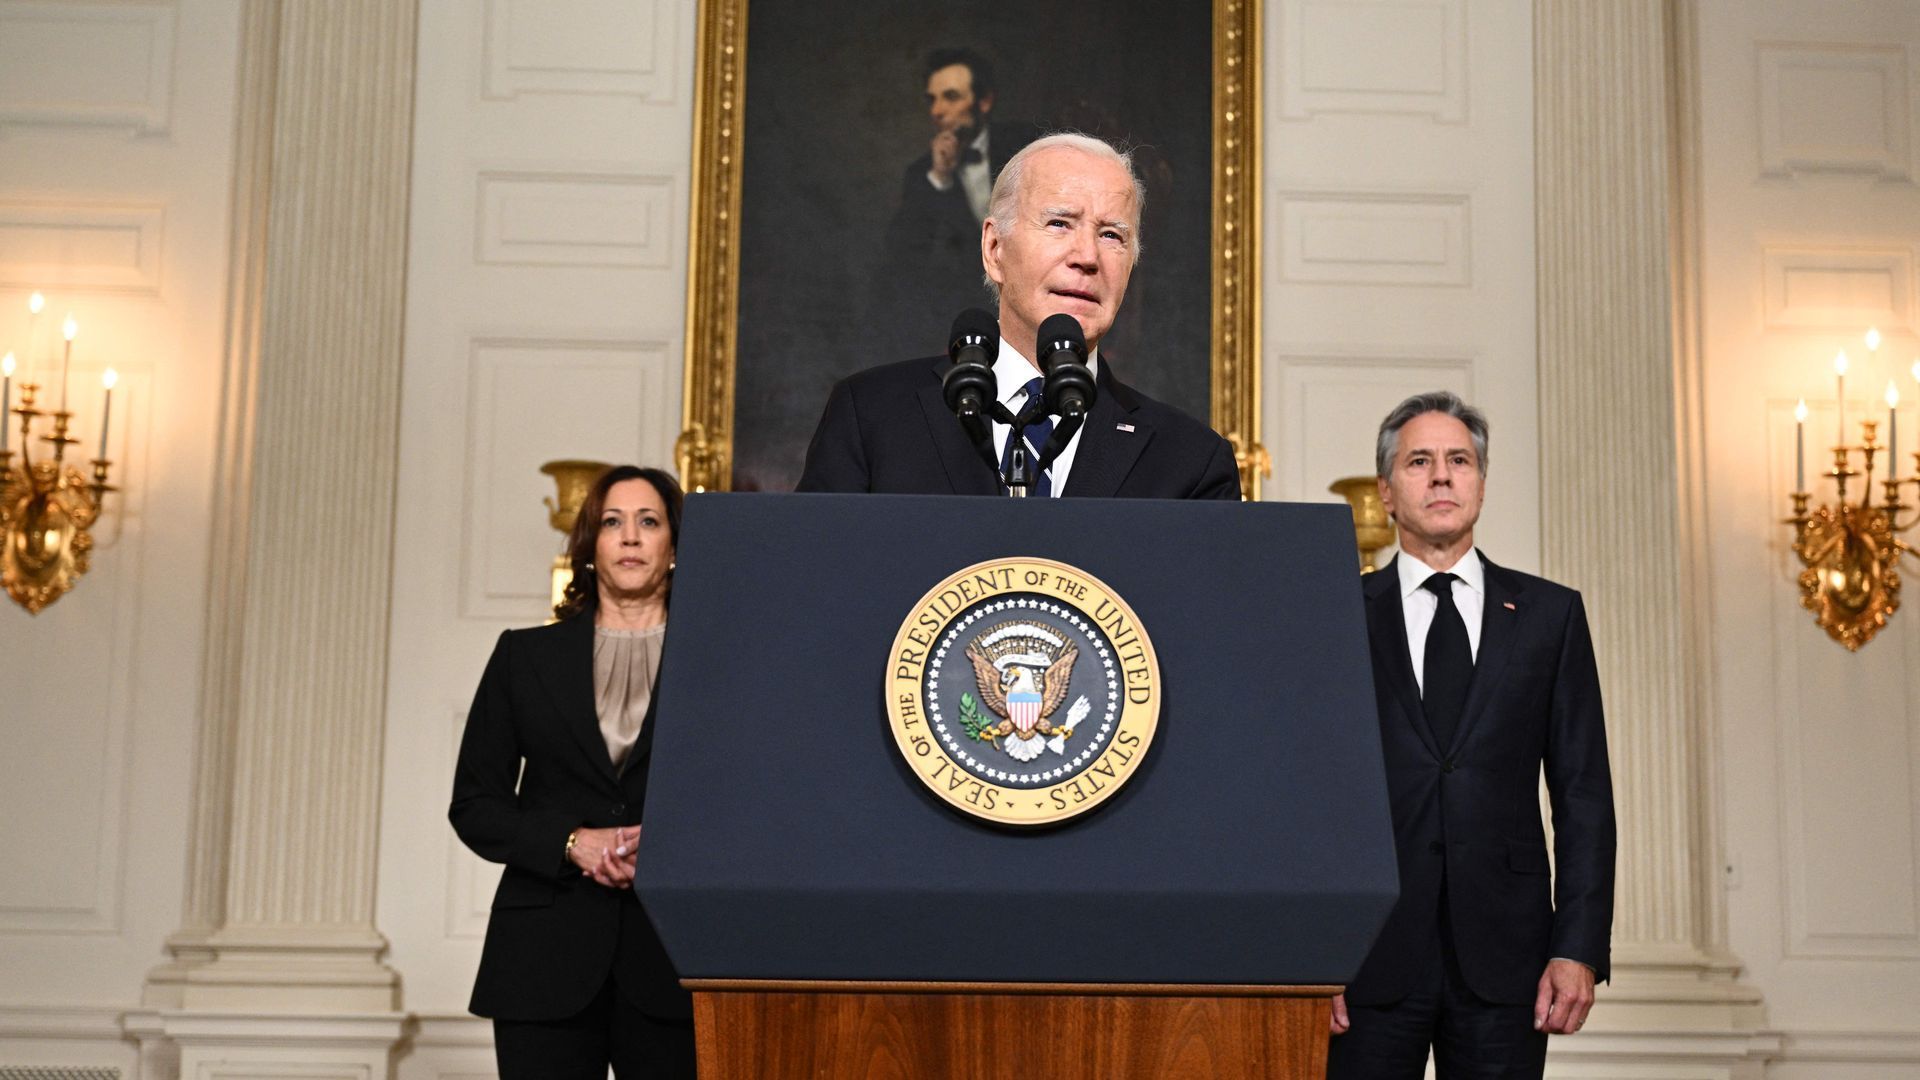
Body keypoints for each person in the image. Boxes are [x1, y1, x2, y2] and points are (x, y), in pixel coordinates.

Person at [1328, 392, 1616, 1079]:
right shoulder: (1337, 612)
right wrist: (1311, 953)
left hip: (1508, 960)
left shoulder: (1550, 616)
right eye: (1419, 461)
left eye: (1459, 460)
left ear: (1481, 483)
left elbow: (1584, 796)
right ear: (1386, 492)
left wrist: (1576, 948)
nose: (1441, 476)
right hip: (1365, 957)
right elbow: (1307, 795)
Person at [803, 132, 1240, 499]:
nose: (1087, 257)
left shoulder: (1192, 463)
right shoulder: (872, 416)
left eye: (1111, 235)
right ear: (994, 249)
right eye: (1059, 224)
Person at [449, 465, 696, 1080]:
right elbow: (476, 804)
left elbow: (749, 802)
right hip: (542, 958)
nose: (631, 538)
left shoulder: (716, 662)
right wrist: (570, 842)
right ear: (590, 545)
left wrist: (665, 847)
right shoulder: (523, 657)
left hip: (675, 956)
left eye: (649, 522)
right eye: (613, 522)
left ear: (673, 547)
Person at [870, 48, 1037, 362]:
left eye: (950, 97)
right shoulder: (923, 173)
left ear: (983, 102)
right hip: (966, 316)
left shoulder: (1026, 144)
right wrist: (940, 178)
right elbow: (902, 254)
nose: (938, 110)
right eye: (932, 99)